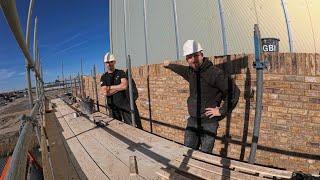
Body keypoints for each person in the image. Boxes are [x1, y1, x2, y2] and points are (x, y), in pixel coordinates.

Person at [163, 40, 240, 153]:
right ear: (187, 60)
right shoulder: (191, 72)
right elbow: (180, 69)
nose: (193, 59)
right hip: (193, 121)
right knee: (187, 153)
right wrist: (169, 65)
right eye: (190, 57)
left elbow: (234, 92)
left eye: (196, 55)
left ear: (202, 55)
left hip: (208, 123)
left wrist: (222, 111)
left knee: (205, 155)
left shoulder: (215, 73)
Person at [100, 53, 143, 129]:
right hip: (113, 107)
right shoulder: (104, 77)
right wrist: (118, 87)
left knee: (130, 127)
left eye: (111, 61)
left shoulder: (120, 72)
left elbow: (124, 86)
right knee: (116, 128)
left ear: (114, 62)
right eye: (107, 62)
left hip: (124, 105)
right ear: (105, 64)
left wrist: (109, 87)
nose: (109, 64)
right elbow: (105, 92)